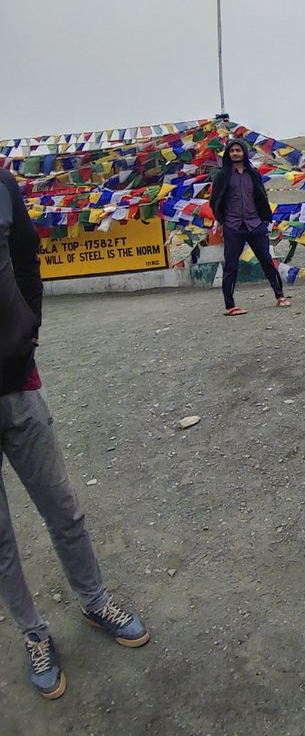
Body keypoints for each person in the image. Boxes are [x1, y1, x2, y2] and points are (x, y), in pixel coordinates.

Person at [0, 167, 149, 700]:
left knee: (62, 506)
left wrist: (26, 332)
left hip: (15, 381)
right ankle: (33, 634)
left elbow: (25, 258)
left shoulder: (0, 181)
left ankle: (93, 602)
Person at [208, 138, 291, 315]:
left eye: (238, 150)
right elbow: (214, 200)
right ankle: (230, 306)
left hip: (255, 224)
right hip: (233, 226)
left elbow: (261, 196)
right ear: (228, 154)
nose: (235, 153)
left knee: (267, 261)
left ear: (244, 153)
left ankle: (280, 296)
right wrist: (222, 220)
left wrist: (264, 219)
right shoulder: (222, 176)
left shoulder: (253, 174)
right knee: (231, 265)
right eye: (232, 151)